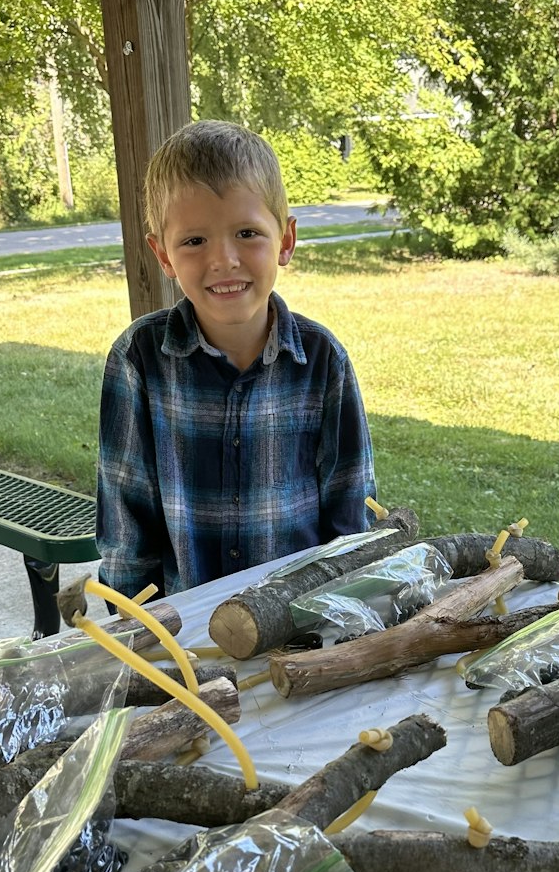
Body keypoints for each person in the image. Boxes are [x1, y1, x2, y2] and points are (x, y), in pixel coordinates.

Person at [96, 120, 375, 599]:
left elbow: (352, 513)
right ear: (162, 255)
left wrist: (350, 617)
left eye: (247, 233)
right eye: (194, 241)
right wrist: (135, 634)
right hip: (185, 635)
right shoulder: (138, 360)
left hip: (299, 625)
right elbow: (126, 524)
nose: (224, 259)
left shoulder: (322, 361)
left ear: (285, 241)